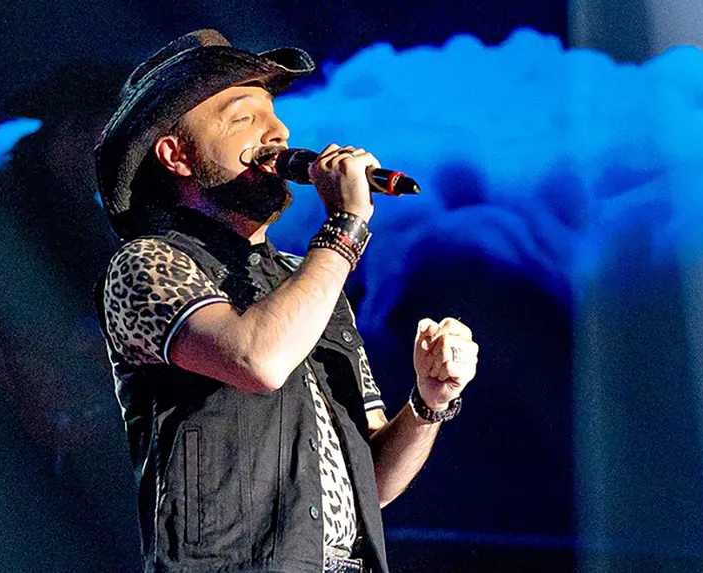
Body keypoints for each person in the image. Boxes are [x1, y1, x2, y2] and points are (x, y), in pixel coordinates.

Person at [93, 29, 479, 573]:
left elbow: (372, 483)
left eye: (273, 113)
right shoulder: (146, 265)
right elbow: (258, 358)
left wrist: (429, 401)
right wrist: (345, 225)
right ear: (176, 155)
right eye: (242, 116)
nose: (278, 131)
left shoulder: (310, 280)